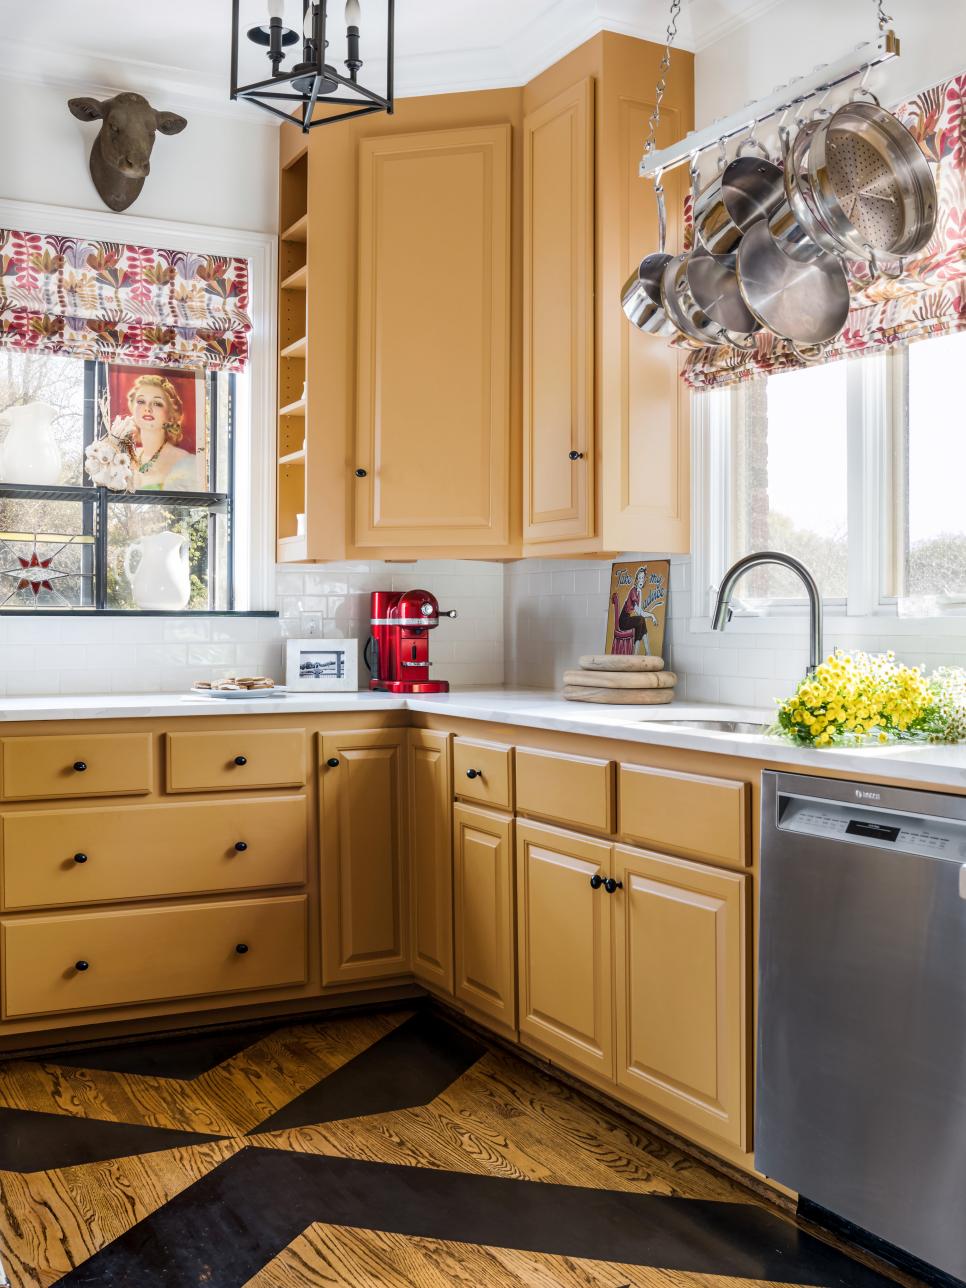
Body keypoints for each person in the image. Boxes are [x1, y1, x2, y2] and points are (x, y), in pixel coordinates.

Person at [125, 373, 199, 491]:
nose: (147, 408)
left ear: (170, 415)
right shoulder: (126, 458)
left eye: (157, 403)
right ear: (132, 407)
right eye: (141, 401)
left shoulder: (187, 463)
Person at [618, 564, 660, 655]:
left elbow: (640, 611)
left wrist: (640, 593)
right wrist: (652, 615)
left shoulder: (638, 591)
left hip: (627, 618)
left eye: (643, 578)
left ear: (644, 580)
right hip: (623, 621)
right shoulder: (633, 591)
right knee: (641, 619)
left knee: (641, 621)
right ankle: (638, 653)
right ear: (637, 579)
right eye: (639, 578)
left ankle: (646, 652)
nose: (641, 580)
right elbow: (639, 612)